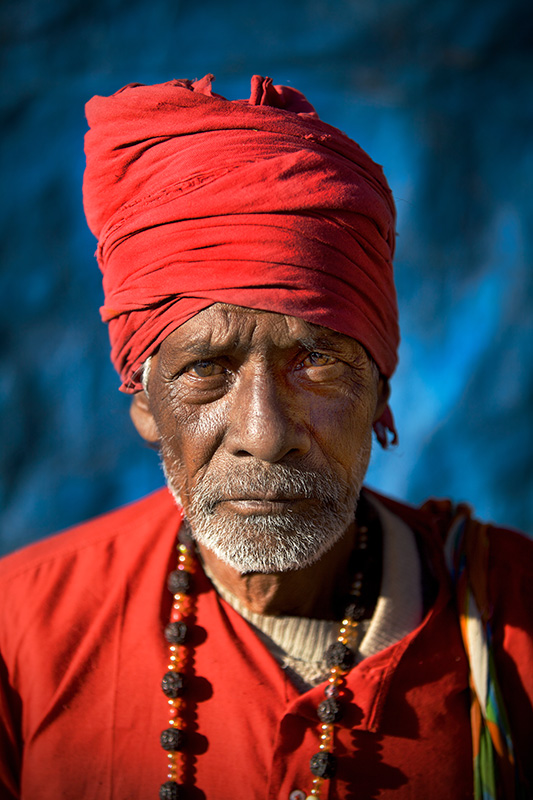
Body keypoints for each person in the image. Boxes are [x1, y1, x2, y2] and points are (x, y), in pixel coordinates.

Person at [0, 74, 531, 800]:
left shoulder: (513, 615)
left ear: (379, 386)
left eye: (316, 362)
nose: (264, 434)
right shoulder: (20, 631)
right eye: (206, 369)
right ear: (144, 405)